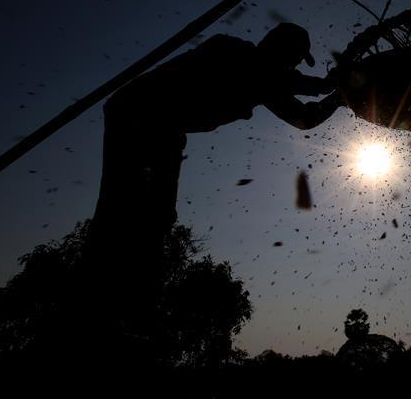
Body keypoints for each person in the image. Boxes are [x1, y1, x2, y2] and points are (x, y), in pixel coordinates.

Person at [85, 23, 342, 347]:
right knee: (121, 209)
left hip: (165, 128)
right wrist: (330, 90)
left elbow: (303, 109)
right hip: (137, 113)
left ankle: (136, 309)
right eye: (291, 59)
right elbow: (287, 87)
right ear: (281, 51)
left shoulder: (264, 80)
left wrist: (336, 95)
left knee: (158, 215)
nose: (291, 66)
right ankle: (99, 306)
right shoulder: (232, 51)